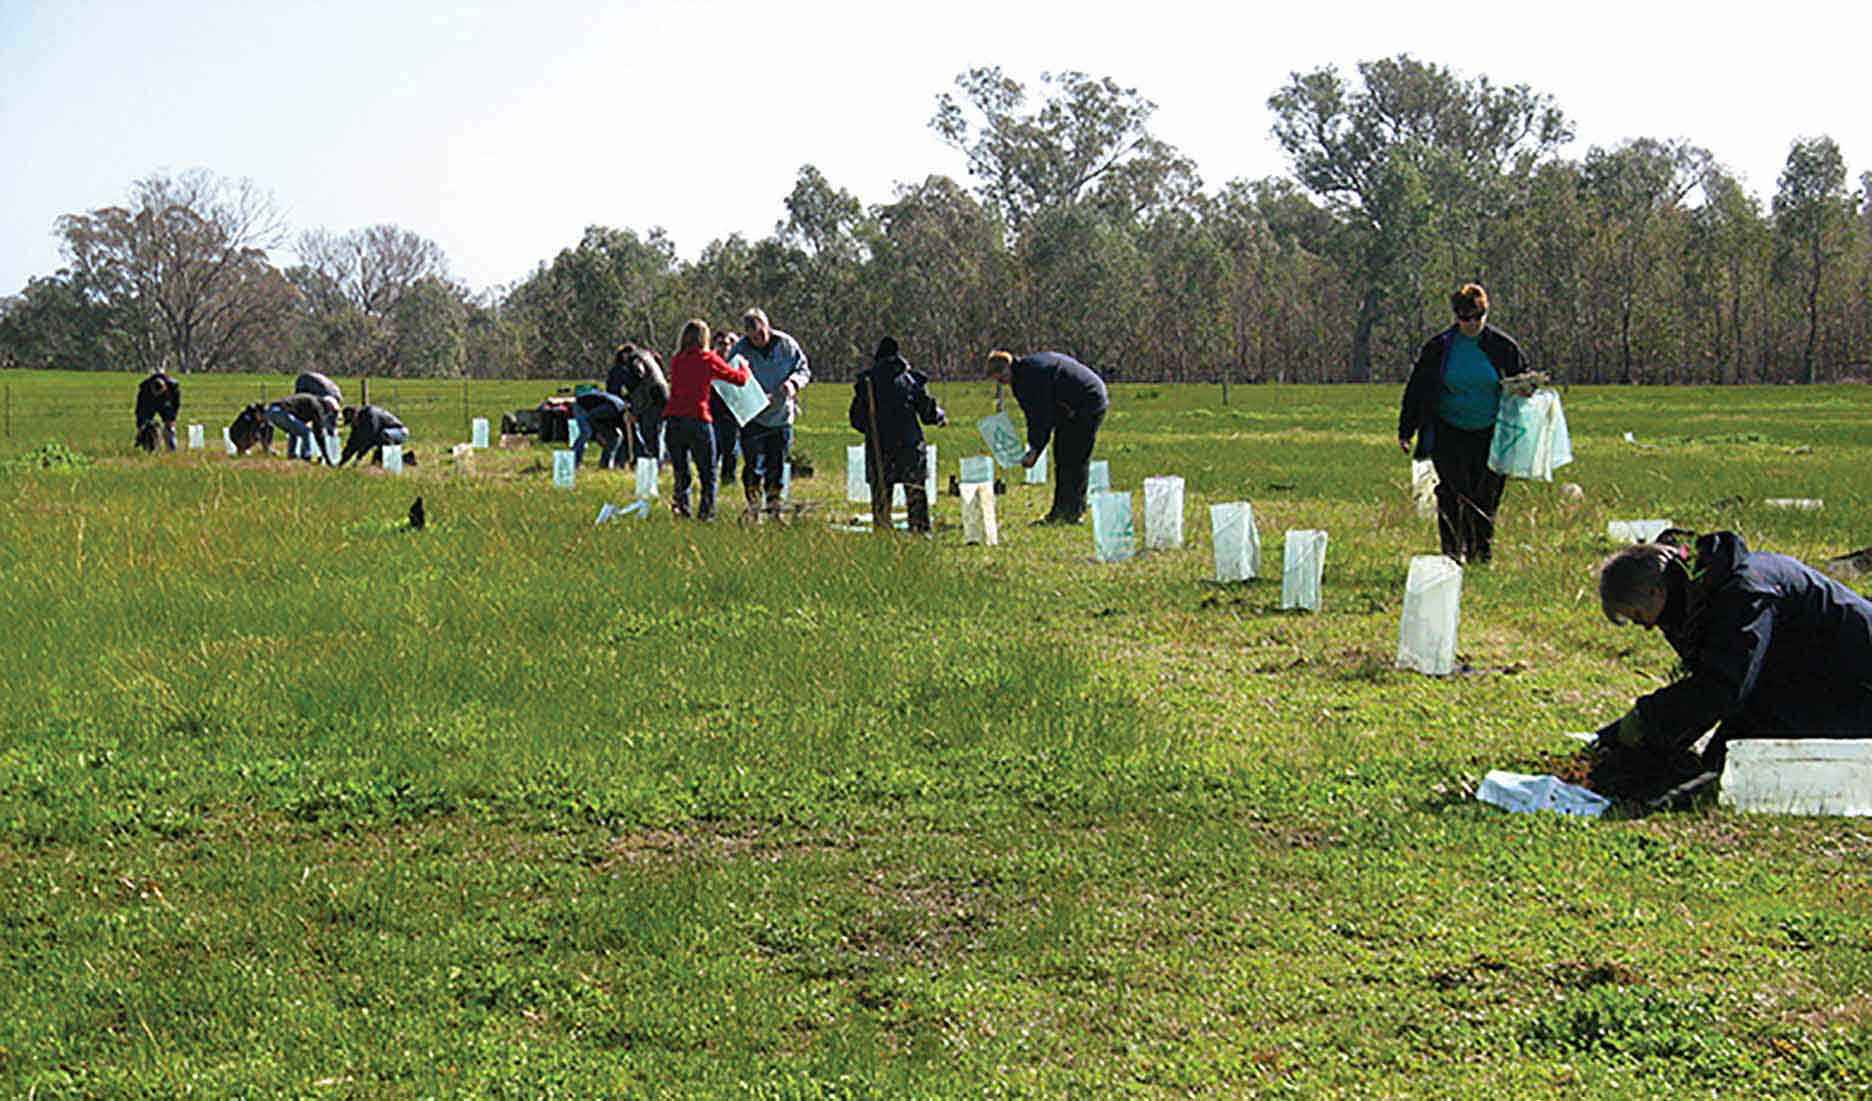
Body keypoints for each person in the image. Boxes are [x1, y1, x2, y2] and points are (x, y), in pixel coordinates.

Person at [1590, 532, 1872, 794]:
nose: (1648, 627)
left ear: (1656, 592)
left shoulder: (1745, 592)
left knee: (1727, 772)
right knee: (1714, 762)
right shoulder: (1705, 591)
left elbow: (1721, 687)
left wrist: (1644, 722)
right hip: (1808, 675)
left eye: (1639, 617)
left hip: (1856, 681)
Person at [1397, 283, 1530, 564]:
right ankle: (1451, 554)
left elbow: (1523, 382)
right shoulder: (1439, 348)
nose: (1470, 323)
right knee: (1452, 493)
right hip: (1448, 430)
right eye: (1463, 317)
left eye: (1476, 317)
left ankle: (1481, 554)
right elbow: (1417, 388)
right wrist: (1406, 430)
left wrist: (1526, 388)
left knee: (1485, 497)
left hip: (1492, 433)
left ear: (1486, 313)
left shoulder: (1502, 347)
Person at [984, 349, 1108, 524]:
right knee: (1062, 455)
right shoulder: (1024, 373)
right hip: (1070, 405)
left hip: (1088, 401)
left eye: (999, 377)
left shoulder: (1031, 377)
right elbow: (1034, 416)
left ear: (1006, 369)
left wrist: (1035, 450)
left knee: (1074, 457)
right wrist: (1035, 446)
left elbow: (1040, 417)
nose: (1001, 383)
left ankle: (1072, 512)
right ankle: (1061, 511)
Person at [850, 337, 946, 534]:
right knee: (915, 492)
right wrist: (939, 416)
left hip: (880, 447)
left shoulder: (866, 381)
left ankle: (883, 532)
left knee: (881, 496)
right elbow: (927, 413)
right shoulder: (912, 380)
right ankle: (920, 532)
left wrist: (872, 428)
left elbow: (857, 420)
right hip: (910, 446)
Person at [664, 318, 751, 520]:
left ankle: (682, 509)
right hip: (698, 419)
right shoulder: (708, 359)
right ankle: (706, 514)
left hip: (674, 420)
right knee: (708, 472)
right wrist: (744, 366)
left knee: (681, 471)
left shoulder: (677, 360)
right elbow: (739, 379)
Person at [728, 307, 811, 518]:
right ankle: (754, 508)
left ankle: (775, 510)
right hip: (753, 417)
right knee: (752, 466)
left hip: (781, 417)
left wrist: (793, 384)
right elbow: (729, 381)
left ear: (768, 326)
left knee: (776, 465)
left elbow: (803, 370)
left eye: (761, 334)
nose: (759, 340)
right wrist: (752, 395)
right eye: (753, 337)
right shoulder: (739, 350)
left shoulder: (787, 345)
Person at [606, 343, 668, 463]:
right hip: (662, 393)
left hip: (651, 397)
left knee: (649, 432)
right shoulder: (647, 355)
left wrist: (628, 396)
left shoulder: (634, 358)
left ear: (624, 355)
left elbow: (639, 374)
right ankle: (656, 461)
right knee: (657, 432)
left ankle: (651, 463)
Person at [708, 330, 744, 485]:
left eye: (728, 344)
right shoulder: (710, 362)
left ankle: (728, 479)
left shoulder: (736, 364)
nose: (725, 348)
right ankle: (710, 478)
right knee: (713, 447)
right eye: (721, 344)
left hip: (731, 412)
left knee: (731, 448)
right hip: (712, 411)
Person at [265, 393, 339, 462]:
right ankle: (306, 456)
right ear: (328, 405)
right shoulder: (318, 407)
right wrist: (326, 456)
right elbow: (318, 433)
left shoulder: (312, 402)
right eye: (331, 411)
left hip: (270, 411)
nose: (329, 413)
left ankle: (292, 456)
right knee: (306, 432)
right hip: (281, 412)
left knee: (295, 431)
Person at [571, 389, 631, 469]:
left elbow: (626, 438)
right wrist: (598, 434)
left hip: (595, 414)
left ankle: (605, 464)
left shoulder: (622, 416)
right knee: (586, 432)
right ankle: (574, 461)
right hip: (582, 406)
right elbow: (591, 417)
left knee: (616, 437)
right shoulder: (612, 409)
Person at [336, 404, 410, 467]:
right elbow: (352, 442)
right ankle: (406, 459)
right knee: (378, 456)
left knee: (381, 436)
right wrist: (341, 462)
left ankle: (392, 462)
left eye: (352, 421)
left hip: (400, 432)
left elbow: (370, 439)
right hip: (385, 435)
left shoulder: (370, 416)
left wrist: (358, 458)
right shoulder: (358, 423)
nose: (352, 424)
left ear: (356, 415)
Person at [134, 368, 181, 452]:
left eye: (160, 393)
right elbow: (140, 409)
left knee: (170, 429)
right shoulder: (144, 389)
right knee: (147, 427)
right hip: (149, 405)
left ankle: (171, 449)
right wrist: (140, 426)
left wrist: (173, 419)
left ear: (165, 387)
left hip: (166, 405)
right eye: (155, 393)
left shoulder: (173, 387)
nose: (157, 395)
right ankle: (149, 448)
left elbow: (176, 404)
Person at [295, 371, 343, 438]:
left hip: (324, 393)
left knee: (328, 423)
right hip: (307, 384)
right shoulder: (305, 383)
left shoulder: (334, 396)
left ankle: (330, 437)